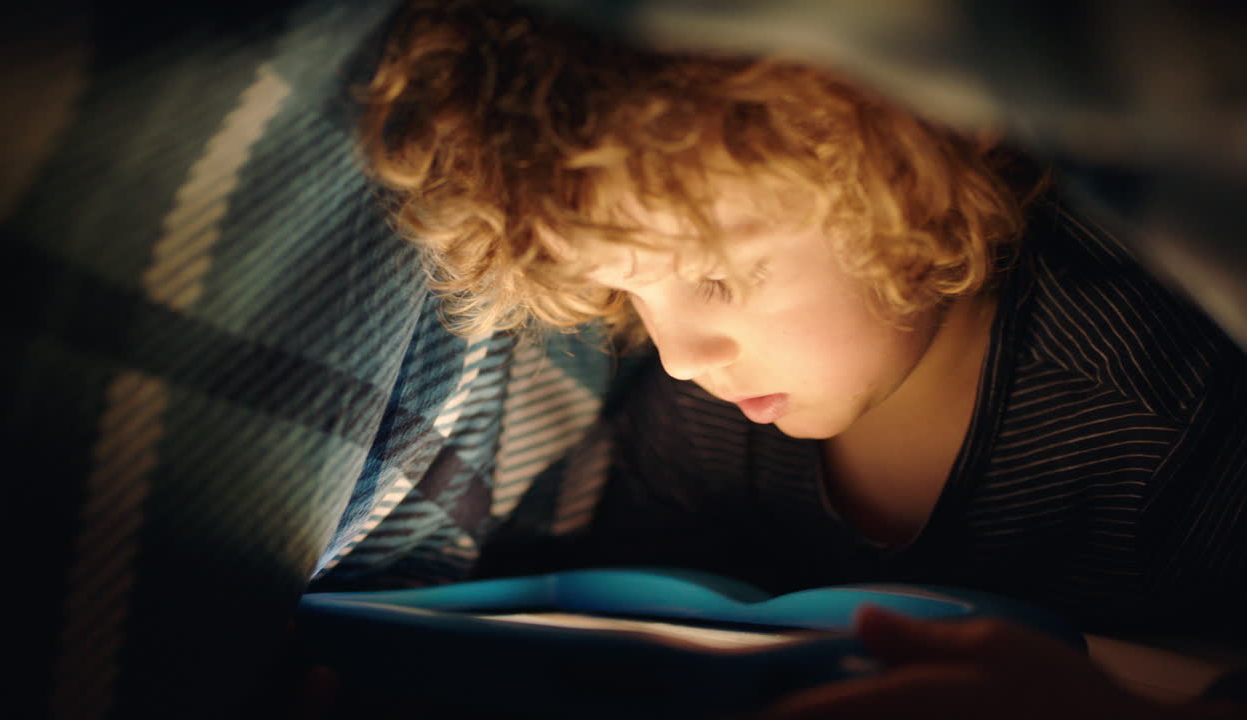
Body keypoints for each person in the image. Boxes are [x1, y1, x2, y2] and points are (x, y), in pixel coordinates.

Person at [360, 1, 1247, 717]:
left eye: (716, 275)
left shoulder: (1167, 420)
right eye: (630, 291)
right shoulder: (698, 430)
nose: (676, 356)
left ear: (921, 151)